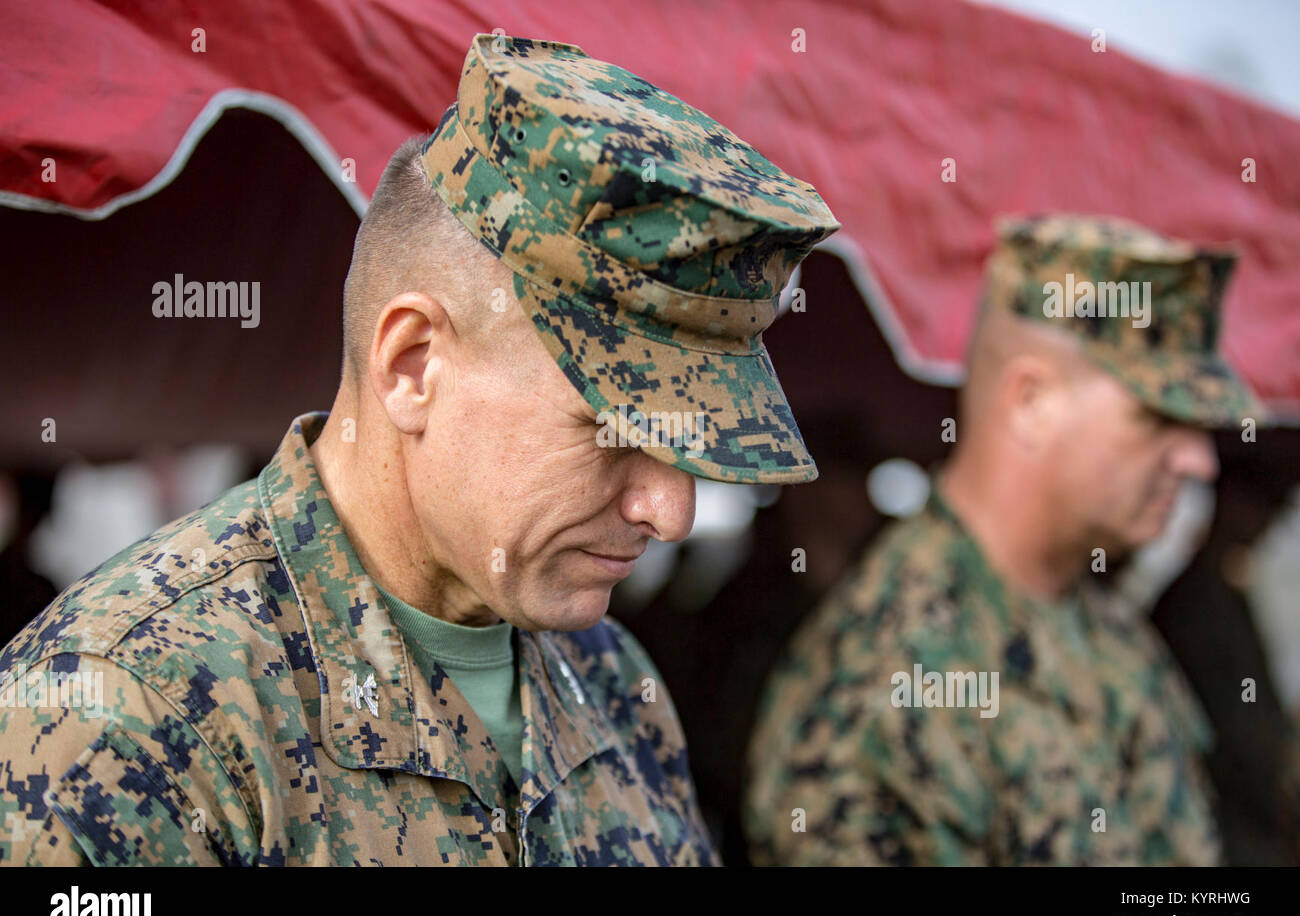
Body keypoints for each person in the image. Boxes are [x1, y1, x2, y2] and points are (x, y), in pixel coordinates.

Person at [0, 34, 838, 866]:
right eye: (614, 430)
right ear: (412, 367)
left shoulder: (614, 687)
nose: (673, 510)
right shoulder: (123, 714)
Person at [745, 213, 1261, 866]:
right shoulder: (882, 683)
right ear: (1032, 402)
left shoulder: (1106, 631)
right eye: (1158, 417)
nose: (1198, 462)